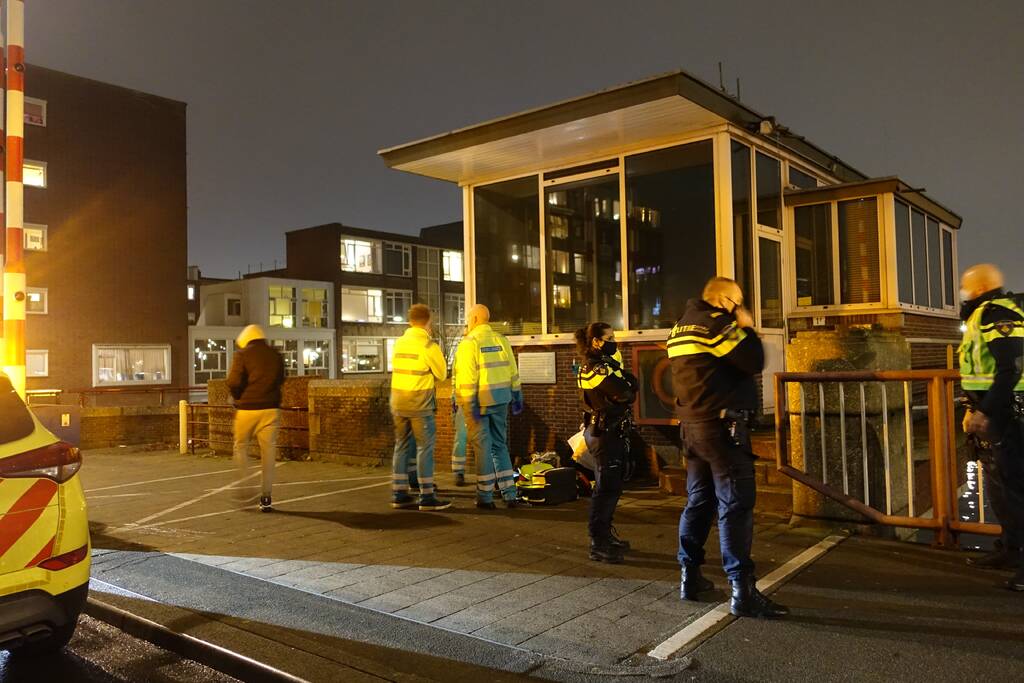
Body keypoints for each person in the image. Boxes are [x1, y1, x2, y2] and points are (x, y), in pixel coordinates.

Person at [667, 276, 788, 618]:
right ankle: (742, 592)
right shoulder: (716, 325)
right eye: (738, 302)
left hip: (693, 428)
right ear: (723, 301)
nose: (741, 309)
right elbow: (752, 360)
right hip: (723, 429)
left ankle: (689, 576)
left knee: (698, 502)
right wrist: (747, 328)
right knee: (735, 505)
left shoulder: (679, 328)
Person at [958, 263, 1024, 591]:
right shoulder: (981, 314)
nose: (961, 294)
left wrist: (983, 413)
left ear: (979, 287)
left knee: (1017, 489)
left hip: (1010, 415)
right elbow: (979, 371)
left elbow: (1009, 370)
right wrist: (973, 408)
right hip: (996, 414)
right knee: (1000, 487)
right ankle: (1010, 550)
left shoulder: (996, 313)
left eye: (964, 287)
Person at [576, 322, 637, 563]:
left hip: (611, 431)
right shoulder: (595, 368)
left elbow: (631, 384)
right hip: (603, 432)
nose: (615, 340)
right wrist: (627, 386)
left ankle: (605, 535)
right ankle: (598, 542)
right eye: (610, 337)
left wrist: (628, 385)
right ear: (596, 341)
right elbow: (625, 392)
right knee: (604, 489)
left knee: (612, 488)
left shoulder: (607, 364)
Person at [454, 304, 525, 509]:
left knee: (483, 448)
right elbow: (513, 371)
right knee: (499, 445)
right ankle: (509, 494)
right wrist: (517, 395)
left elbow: (467, 378)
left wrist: (468, 404)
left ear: (475, 319)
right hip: (502, 400)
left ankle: (485, 497)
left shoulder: (470, 343)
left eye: (468, 318)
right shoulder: (501, 340)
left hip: (479, 404)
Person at [389, 304, 451, 511]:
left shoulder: (399, 343)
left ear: (409, 321)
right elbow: (442, 374)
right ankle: (426, 496)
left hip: (398, 401)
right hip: (420, 403)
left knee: (402, 446)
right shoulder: (428, 345)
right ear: (428, 321)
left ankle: (399, 493)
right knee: (425, 448)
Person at [227, 324, 286, 513]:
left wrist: (237, 397)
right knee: (268, 453)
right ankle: (266, 497)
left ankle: (246, 487)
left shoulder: (242, 354)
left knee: (240, 446)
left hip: (248, 408)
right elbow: (282, 378)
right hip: (271, 409)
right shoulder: (275, 354)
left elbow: (234, 382)